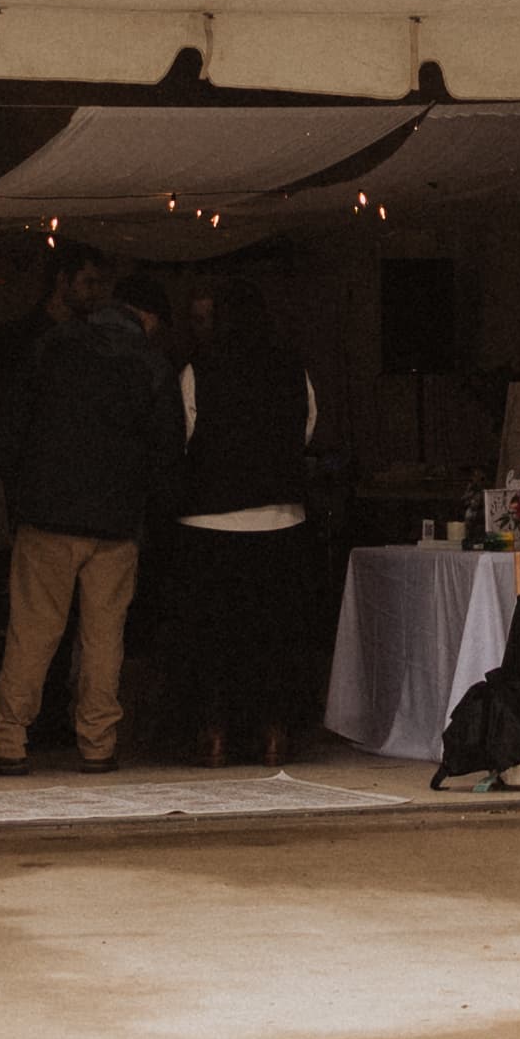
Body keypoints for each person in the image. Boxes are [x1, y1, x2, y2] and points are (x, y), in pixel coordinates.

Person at [0, 258, 176, 774]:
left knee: (33, 632)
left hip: (47, 514)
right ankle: (98, 744)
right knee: (105, 638)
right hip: (117, 523)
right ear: (147, 318)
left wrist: (21, 497)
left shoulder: (53, 346)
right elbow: (167, 451)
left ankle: (7, 741)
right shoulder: (151, 364)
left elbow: (11, 429)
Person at [172, 270, 319, 765]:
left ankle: (214, 733)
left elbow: (182, 435)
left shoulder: (199, 368)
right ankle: (274, 731)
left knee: (213, 636)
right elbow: (305, 431)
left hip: (209, 522)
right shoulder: (292, 369)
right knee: (273, 635)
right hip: (280, 519)